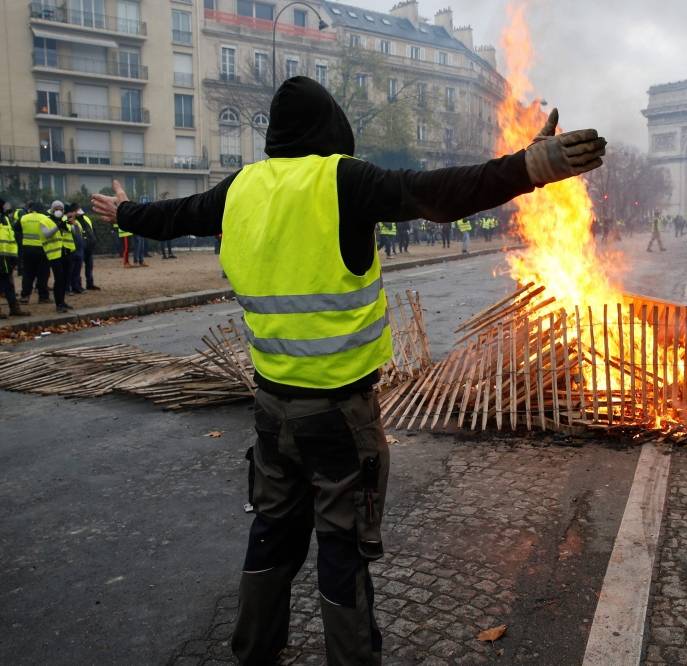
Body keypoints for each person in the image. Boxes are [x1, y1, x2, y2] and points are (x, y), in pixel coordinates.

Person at [90, 76, 606, 665]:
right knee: (342, 550)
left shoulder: (242, 188)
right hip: (339, 415)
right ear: (331, 128)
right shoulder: (341, 179)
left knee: (271, 537)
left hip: (270, 412)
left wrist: (124, 211)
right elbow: (438, 193)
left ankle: (254, 653)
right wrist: (528, 166)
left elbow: (173, 215)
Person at [18, 202, 53, 304]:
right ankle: (43, 297)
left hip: (27, 250)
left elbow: (16, 229)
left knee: (28, 274)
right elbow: (51, 233)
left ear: (31, 209)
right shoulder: (45, 218)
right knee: (43, 274)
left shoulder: (24, 218)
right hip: (42, 250)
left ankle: (25, 297)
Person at [0, 199, 30, 318]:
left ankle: (14, 308)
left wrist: (14, 257)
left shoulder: (5, 219)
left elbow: (11, 240)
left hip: (6, 258)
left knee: (9, 285)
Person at [50, 200, 74, 312]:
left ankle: (62, 302)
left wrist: (66, 223)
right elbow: (49, 234)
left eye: (60, 208)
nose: (58, 210)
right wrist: (58, 224)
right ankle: (58, 304)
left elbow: (70, 229)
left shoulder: (64, 219)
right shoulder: (49, 220)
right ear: (52, 209)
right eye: (56, 208)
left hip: (67, 252)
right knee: (59, 279)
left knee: (65, 279)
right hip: (56, 253)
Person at [75, 204, 101, 290]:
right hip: (80, 247)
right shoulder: (73, 221)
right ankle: (78, 285)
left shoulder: (86, 218)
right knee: (78, 267)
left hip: (89, 246)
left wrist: (95, 240)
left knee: (89, 266)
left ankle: (90, 284)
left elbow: (92, 230)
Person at [66, 203, 86, 294]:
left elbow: (80, 235)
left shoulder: (77, 223)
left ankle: (76, 287)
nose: (71, 216)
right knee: (69, 271)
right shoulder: (64, 224)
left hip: (79, 249)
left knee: (77, 270)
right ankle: (68, 288)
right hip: (70, 250)